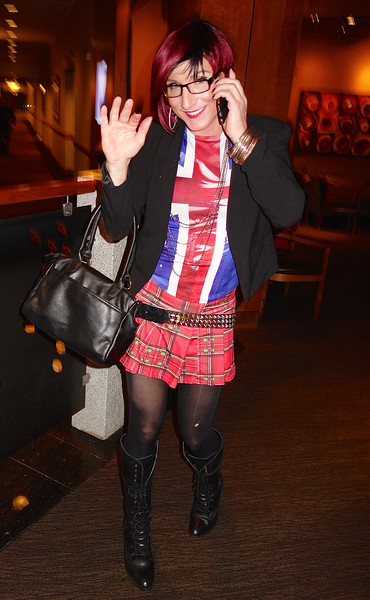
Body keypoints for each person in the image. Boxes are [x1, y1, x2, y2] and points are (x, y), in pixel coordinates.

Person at [100, 20, 304, 591]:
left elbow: (289, 210)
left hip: (212, 314)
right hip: (154, 305)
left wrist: (241, 139)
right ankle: (137, 527)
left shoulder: (264, 136)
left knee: (194, 432)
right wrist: (116, 166)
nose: (187, 99)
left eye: (200, 82)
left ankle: (208, 479)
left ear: (224, 78)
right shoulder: (161, 140)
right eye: (174, 85)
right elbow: (117, 225)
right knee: (143, 425)